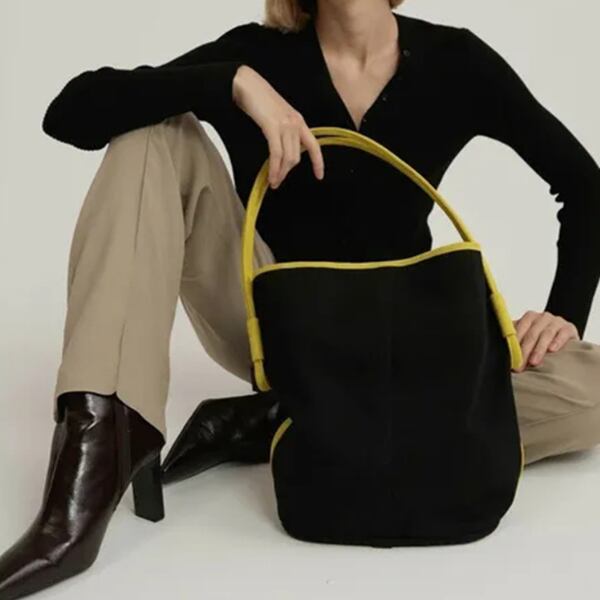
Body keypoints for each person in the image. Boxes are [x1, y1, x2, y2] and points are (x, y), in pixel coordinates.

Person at [2, 0, 600, 597]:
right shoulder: (255, 55)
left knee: (592, 392)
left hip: (406, 338)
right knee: (152, 133)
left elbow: (585, 187)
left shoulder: (457, 60)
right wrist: (235, 84)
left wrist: (564, 313)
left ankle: (285, 419)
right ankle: (101, 438)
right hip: (275, 325)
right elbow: (72, 112)